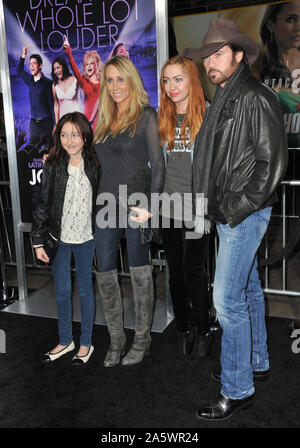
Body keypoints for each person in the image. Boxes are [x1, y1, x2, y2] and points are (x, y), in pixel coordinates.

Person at [183, 18, 287, 420]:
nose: (211, 62)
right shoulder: (227, 95)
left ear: (239, 55)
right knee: (247, 291)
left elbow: (271, 165)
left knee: (226, 300)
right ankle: (254, 363)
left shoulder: (255, 96)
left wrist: (232, 208)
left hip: (243, 212)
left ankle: (238, 387)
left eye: (219, 53)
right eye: (207, 55)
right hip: (234, 210)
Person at [93, 55, 165, 368]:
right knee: (105, 273)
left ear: (131, 80)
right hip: (104, 208)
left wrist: (152, 206)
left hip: (136, 206)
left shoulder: (147, 115)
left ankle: (143, 340)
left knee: (140, 272)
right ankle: (116, 340)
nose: (115, 86)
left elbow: (159, 166)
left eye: (120, 79)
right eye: (109, 80)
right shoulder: (103, 119)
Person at [31, 112, 99, 365]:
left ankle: (85, 343)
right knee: (61, 291)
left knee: (85, 291)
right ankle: (65, 339)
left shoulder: (95, 164)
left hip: (87, 238)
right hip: (58, 239)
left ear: (85, 136)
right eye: (64, 135)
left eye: (75, 134)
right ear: (58, 137)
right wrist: (38, 241)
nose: (70, 140)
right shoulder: (52, 165)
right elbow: (43, 204)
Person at [158, 55, 212, 358]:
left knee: (194, 271)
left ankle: (204, 328)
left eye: (178, 79)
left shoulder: (208, 116)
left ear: (191, 79)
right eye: (166, 80)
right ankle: (182, 327)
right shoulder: (163, 118)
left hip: (197, 207)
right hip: (168, 206)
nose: (171, 86)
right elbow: (157, 166)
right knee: (175, 272)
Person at [260, 1, 300, 148]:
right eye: (291, 19)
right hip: (271, 156)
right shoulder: (257, 69)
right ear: (271, 25)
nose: (298, 27)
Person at [17, 46, 54, 146]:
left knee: (49, 151)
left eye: (34, 63)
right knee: (32, 151)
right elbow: (19, 70)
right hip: (34, 124)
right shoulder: (29, 80)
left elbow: (52, 105)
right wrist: (23, 55)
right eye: (30, 64)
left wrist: (55, 125)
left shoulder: (48, 83)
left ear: (40, 66)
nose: (31, 66)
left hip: (46, 124)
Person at [63, 36, 102, 129]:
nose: (89, 66)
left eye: (92, 63)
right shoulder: (83, 80)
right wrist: (68, 51)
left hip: (102, 121)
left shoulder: (103, 80)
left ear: (96, 65)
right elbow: (74, 67)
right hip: (88, 120)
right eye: (87, 64)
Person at [51, 57, 82, 124]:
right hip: (63, 119)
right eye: (54, 69)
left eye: (58, 67)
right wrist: (57, 123)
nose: (56, 71)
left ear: (63, 67)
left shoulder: (75, 80)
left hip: (76, 117)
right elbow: (56, 105)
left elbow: (82, 99)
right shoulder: (54, 86)